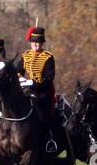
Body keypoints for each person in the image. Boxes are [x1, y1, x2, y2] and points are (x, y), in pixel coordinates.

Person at [14, 25, 64, 153]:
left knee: (45, 112)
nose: (36, 44)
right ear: (31, 42)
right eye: (34, 42)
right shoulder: (25, 55)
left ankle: (50, 140)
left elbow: (49, 77)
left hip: (43, 91)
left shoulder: (48, 56)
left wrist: (33, 82)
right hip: (27, 91)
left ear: (42, 43)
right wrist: (20, 79)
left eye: (39, 42)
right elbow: (18, 71)